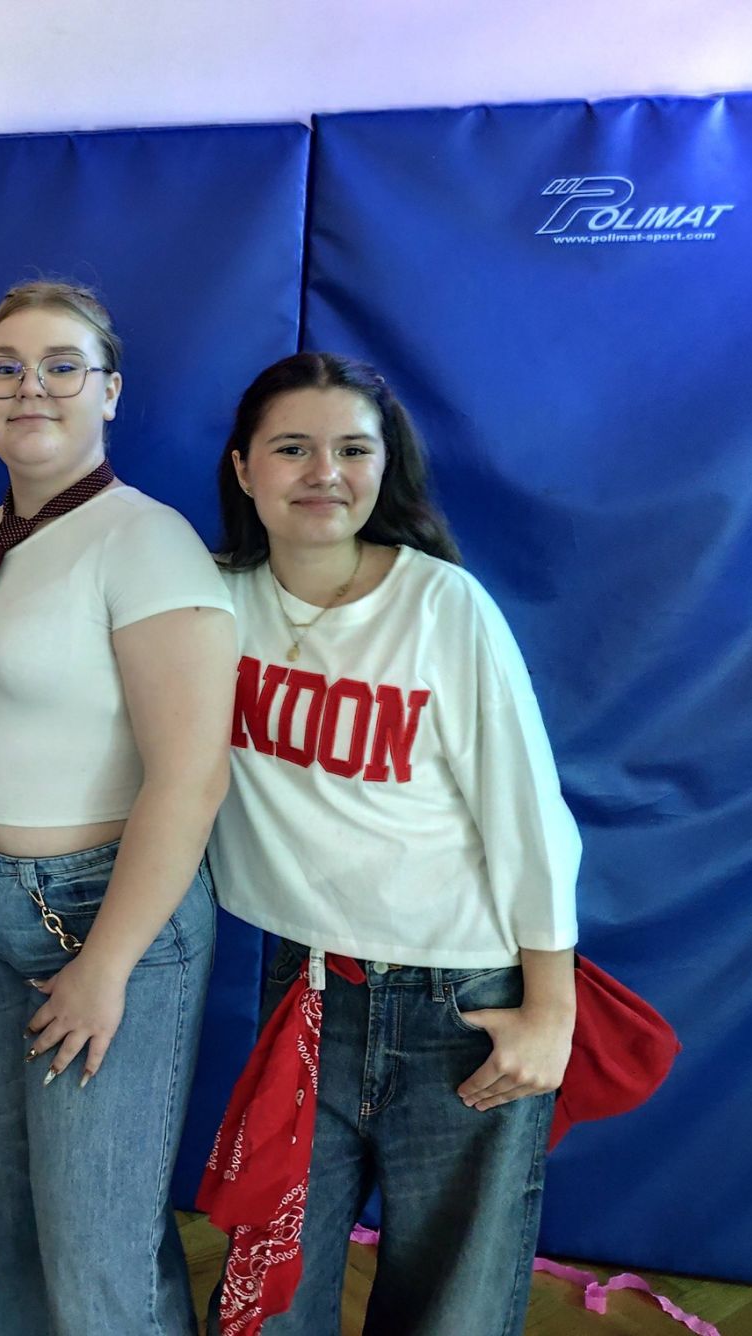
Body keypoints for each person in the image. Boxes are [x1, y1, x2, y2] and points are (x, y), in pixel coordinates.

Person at [207, 352, 580, 1334]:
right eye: (293, 448)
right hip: (308, 984)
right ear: (244, 466)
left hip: (463, 1000)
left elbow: (529, 815)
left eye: (352, 449)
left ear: (386, 466)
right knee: (271, 1291)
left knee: (452, 1308)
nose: (324, 472)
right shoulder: (207, 598)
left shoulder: (444, 606)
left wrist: (551, 1009)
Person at [0, 280, 237, 1334]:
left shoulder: (147, 542)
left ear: (110, 392)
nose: (31, 387)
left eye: (62, 366)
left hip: (98, 917)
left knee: (97, 1249)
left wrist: (106, 967)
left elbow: (192, 776)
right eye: (5, 367)